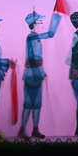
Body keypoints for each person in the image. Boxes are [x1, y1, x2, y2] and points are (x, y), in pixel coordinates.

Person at [17, 11, 56, 140]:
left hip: (37, 74)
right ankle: (22, 130)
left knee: (37, 104)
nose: (42, 25)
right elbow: (32, 59)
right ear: (33, 24)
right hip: (31, 75)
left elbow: (50, 34)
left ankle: (35, 129)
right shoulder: (31, 37)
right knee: (29, 103)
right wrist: (40, 75)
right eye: (40, 22)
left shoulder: (36, 37)